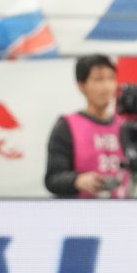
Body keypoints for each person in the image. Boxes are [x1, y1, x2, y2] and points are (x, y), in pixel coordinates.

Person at [45, 54, 129, 198]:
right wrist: (77, 181)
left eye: (111, 78)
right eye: (98, 79)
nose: (106, 86)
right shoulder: (67, 126)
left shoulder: (126, 125)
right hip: (81, 213)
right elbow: (52, 179)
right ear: (81, 85)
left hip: (123, 211)